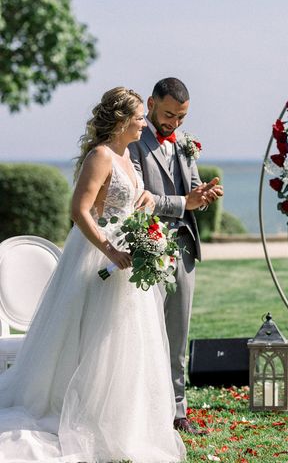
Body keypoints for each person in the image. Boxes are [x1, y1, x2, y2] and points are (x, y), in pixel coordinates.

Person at [0, 87, 187, 462]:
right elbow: (80, 210)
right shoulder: (100, 155)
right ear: (121, 121)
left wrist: (146, 200)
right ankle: (82, 414)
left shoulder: (126, 155)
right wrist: (110, 250)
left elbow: (127, 201)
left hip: (125, 261)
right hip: (97, 259)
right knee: (92, 339)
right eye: (138, 118)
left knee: (124, 342)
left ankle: (119, 419)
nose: (142, 123)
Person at [129, 77, 223, 434]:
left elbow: (192, 188)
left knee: (177, 334)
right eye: (169, 115)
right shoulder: (133, 140)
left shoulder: (183, 142)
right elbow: (140, 198)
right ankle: (142, 410)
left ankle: (177, 412)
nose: (175, 124)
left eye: (182, 117)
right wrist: (186, 202)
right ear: (151, 103)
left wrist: (203, 193)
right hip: (147, 248)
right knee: (142, 333)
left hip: (183, 247)